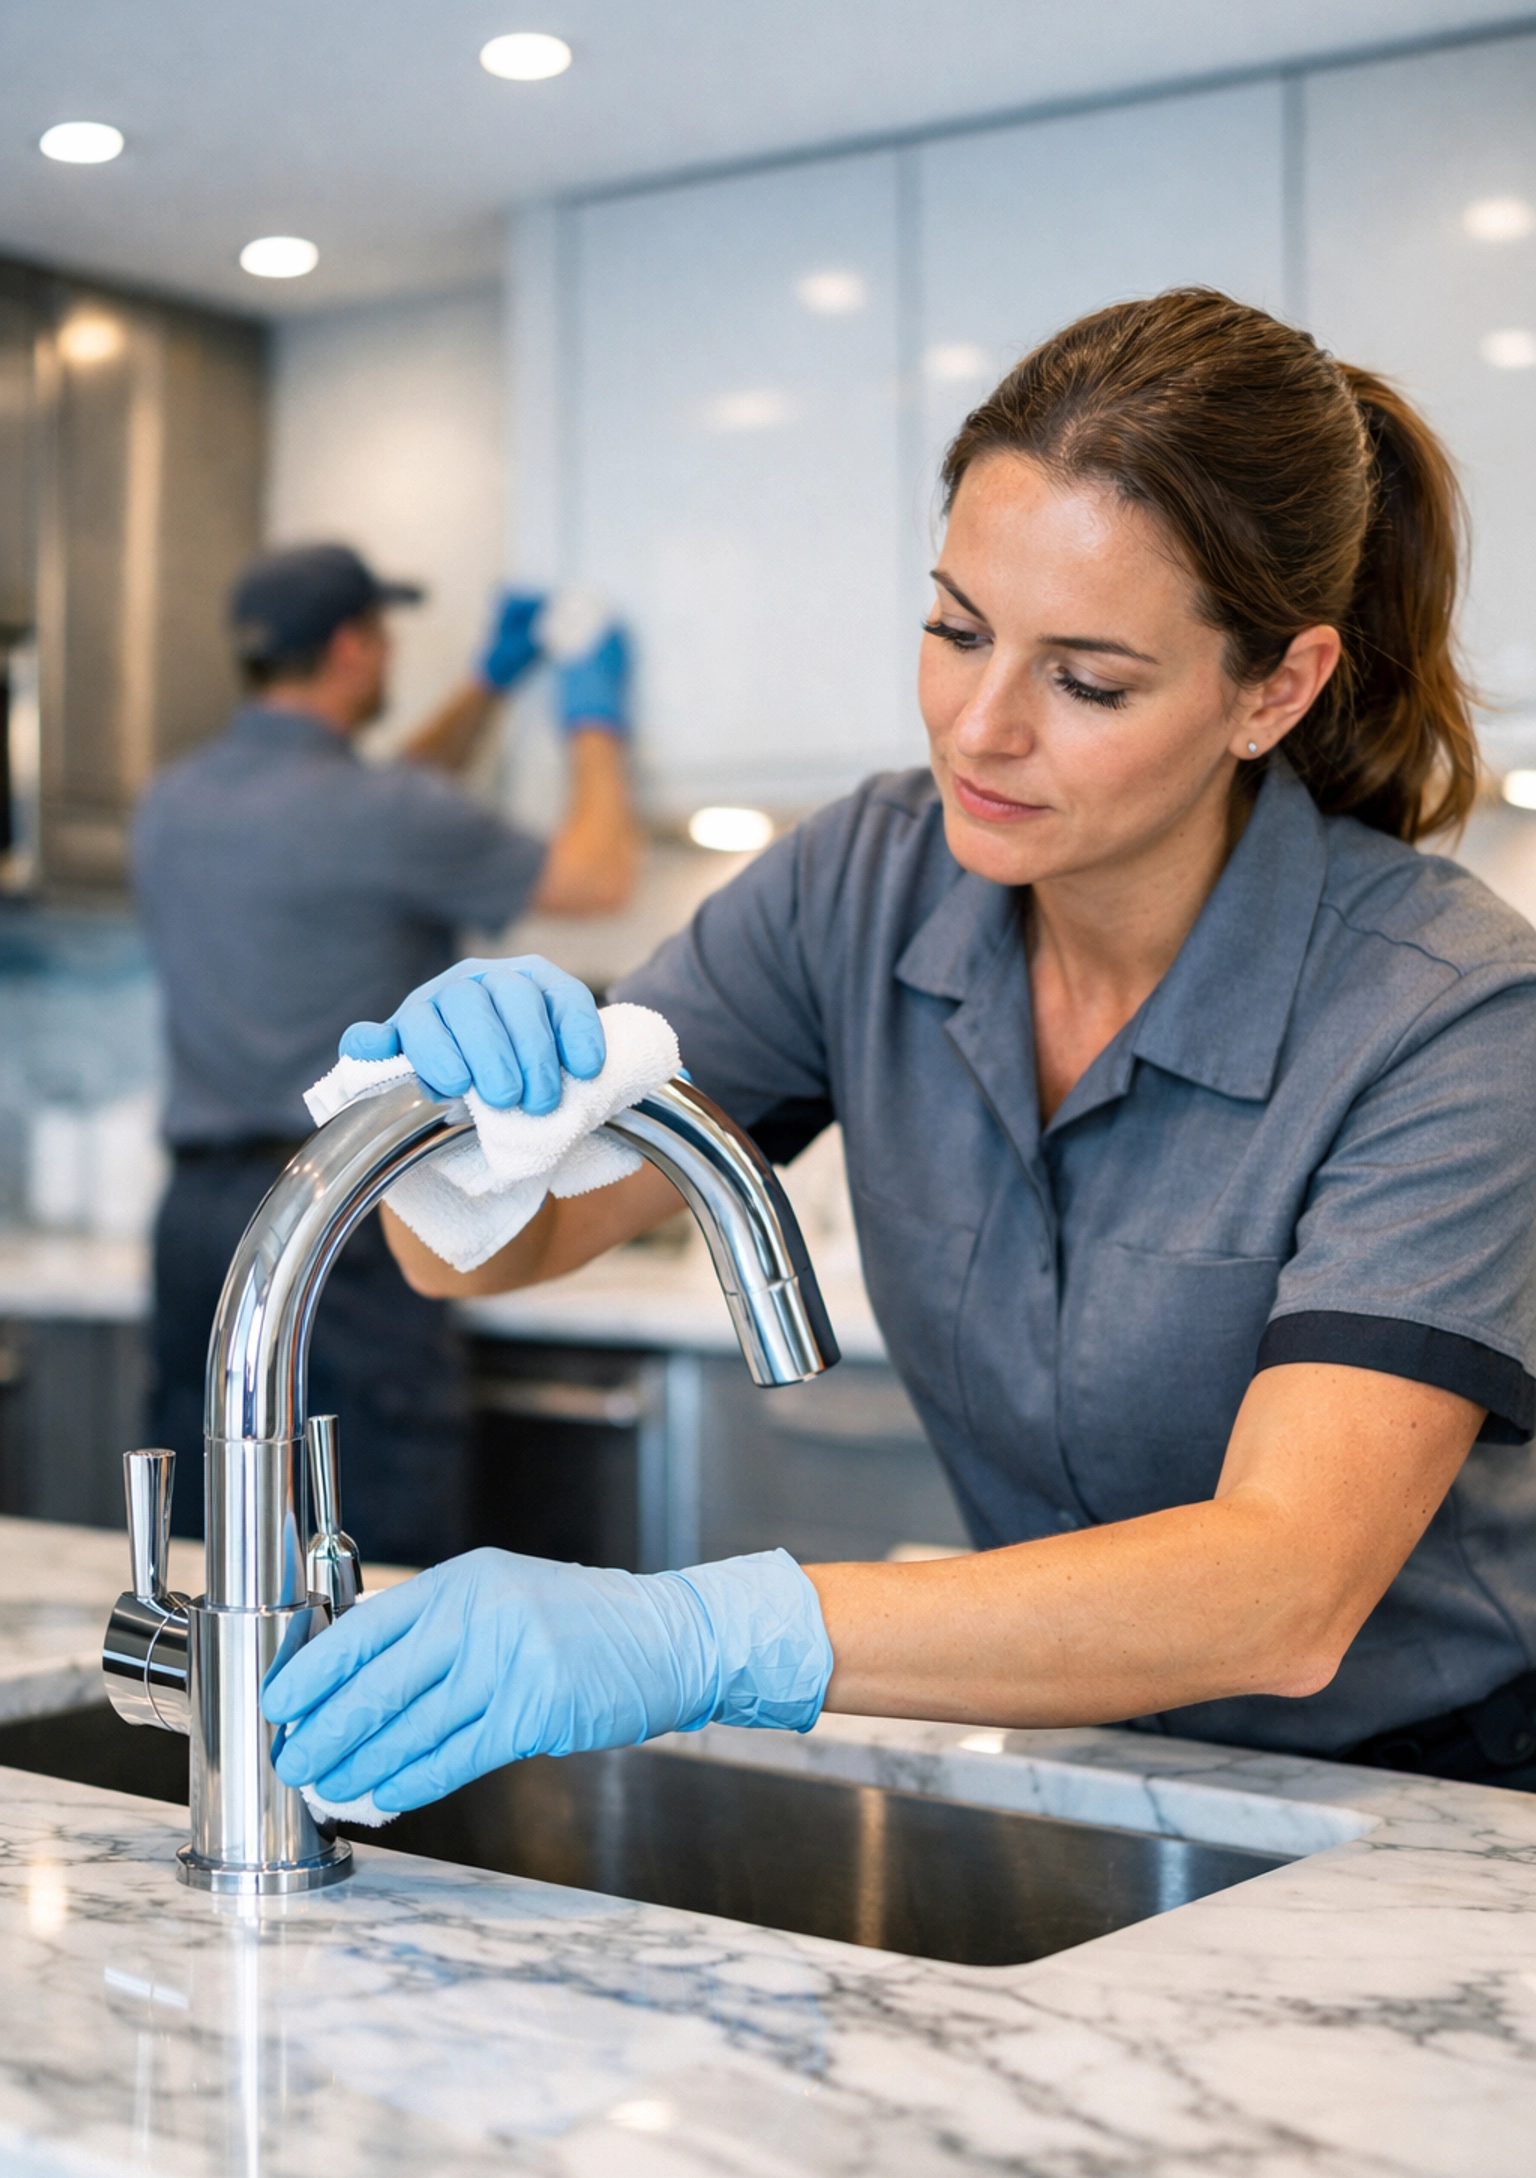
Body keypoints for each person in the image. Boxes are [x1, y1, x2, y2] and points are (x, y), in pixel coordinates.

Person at [265, 287, 1536, 1820]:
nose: (977, 728)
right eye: (955, 629)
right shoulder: (857, 885)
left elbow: (1284, 1587)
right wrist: (449, 1118)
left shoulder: (1449, 1010)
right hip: (1104, 1778)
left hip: (1456, 1808)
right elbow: (481, 1255)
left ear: (1274, 688)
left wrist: (701, 1632)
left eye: (1087, 680)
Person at [133, 543, 638, 1554]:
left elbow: (381, 808)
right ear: (354, 647)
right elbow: (599, 876)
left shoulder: (170, 804)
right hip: (345, 1224)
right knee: (370, 1560)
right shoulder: (387, 817)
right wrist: (594, 721)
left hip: (196, 1225)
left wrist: (482, 688)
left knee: (212, 1554)